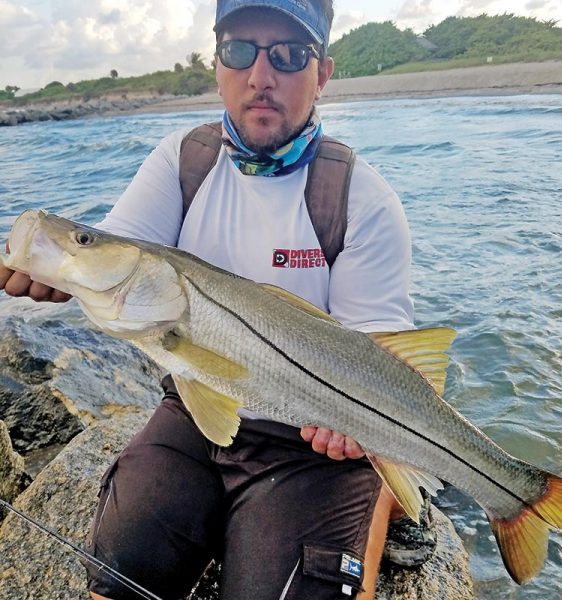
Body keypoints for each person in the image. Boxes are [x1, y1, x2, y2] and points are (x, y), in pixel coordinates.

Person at [0, 1, 434, 598]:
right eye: (239, 52)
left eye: (287, 54)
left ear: (324, 74)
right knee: (124, 564)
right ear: (216, 64)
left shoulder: (361, 198)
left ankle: (386, 496)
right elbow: (119, 250)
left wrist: (365, 433)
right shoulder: (183, 162)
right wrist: (61, 269)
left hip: (312, 440)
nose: (261, 76)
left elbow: (388, 361)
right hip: (198, 402)